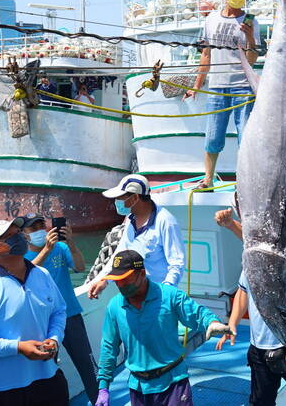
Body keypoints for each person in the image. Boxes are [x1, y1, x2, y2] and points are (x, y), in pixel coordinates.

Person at [94, 250, 232, 406]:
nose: (120, 284)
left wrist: (212, 323)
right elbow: (108, 347)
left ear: (142, 273)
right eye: (116, 280)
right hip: (138, 388)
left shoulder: (170, 296)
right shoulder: (114, 307)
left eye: (125, 279)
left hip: (173, 383)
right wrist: (103, 388)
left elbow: (198, 313)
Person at [214, 209, 286, 406]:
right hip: (260, 346)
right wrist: (233, 323)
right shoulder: (252, 262)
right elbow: (243, 290)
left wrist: (231, 225)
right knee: (260, 402)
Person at [0, 218, 69, 405]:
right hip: (4, 390)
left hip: (48, 377)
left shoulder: (42, 274)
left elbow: (59, 311)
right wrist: (18, 348)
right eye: (9, 236)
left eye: (17, 233)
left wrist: (54, 338)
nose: (18, 238)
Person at [183, 0, 260, 189]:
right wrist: (196, 86)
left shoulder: (251, 21)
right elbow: (206, 55)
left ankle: (246, 181)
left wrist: (251, 37)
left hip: (243, 87)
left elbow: (252, 60)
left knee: (246, 137)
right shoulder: (211, 20)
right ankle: (207, 179)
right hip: (217, 87)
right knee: (213, 136)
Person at [23, 213, 99, 405]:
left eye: (42, 225)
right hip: (42, 322)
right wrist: (46, 250)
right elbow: (24, 276)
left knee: (87, 365)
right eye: (34, 228)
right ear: (24, 234)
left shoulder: (61, 248)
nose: (40, 230)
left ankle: (100, 401)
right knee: (46, 371)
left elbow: (81, 267)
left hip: (70, 315)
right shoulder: (21, 257)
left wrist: (71, 243)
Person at [88, 174, 186, 299]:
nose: (116, 202)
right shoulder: (130, 219)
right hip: (133, 294)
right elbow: (120, 253)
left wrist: (166, 292)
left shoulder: (166, 221)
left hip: (159, 296)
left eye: (120, 198)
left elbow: (177, 263)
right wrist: (104, 279)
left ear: (134, 198)